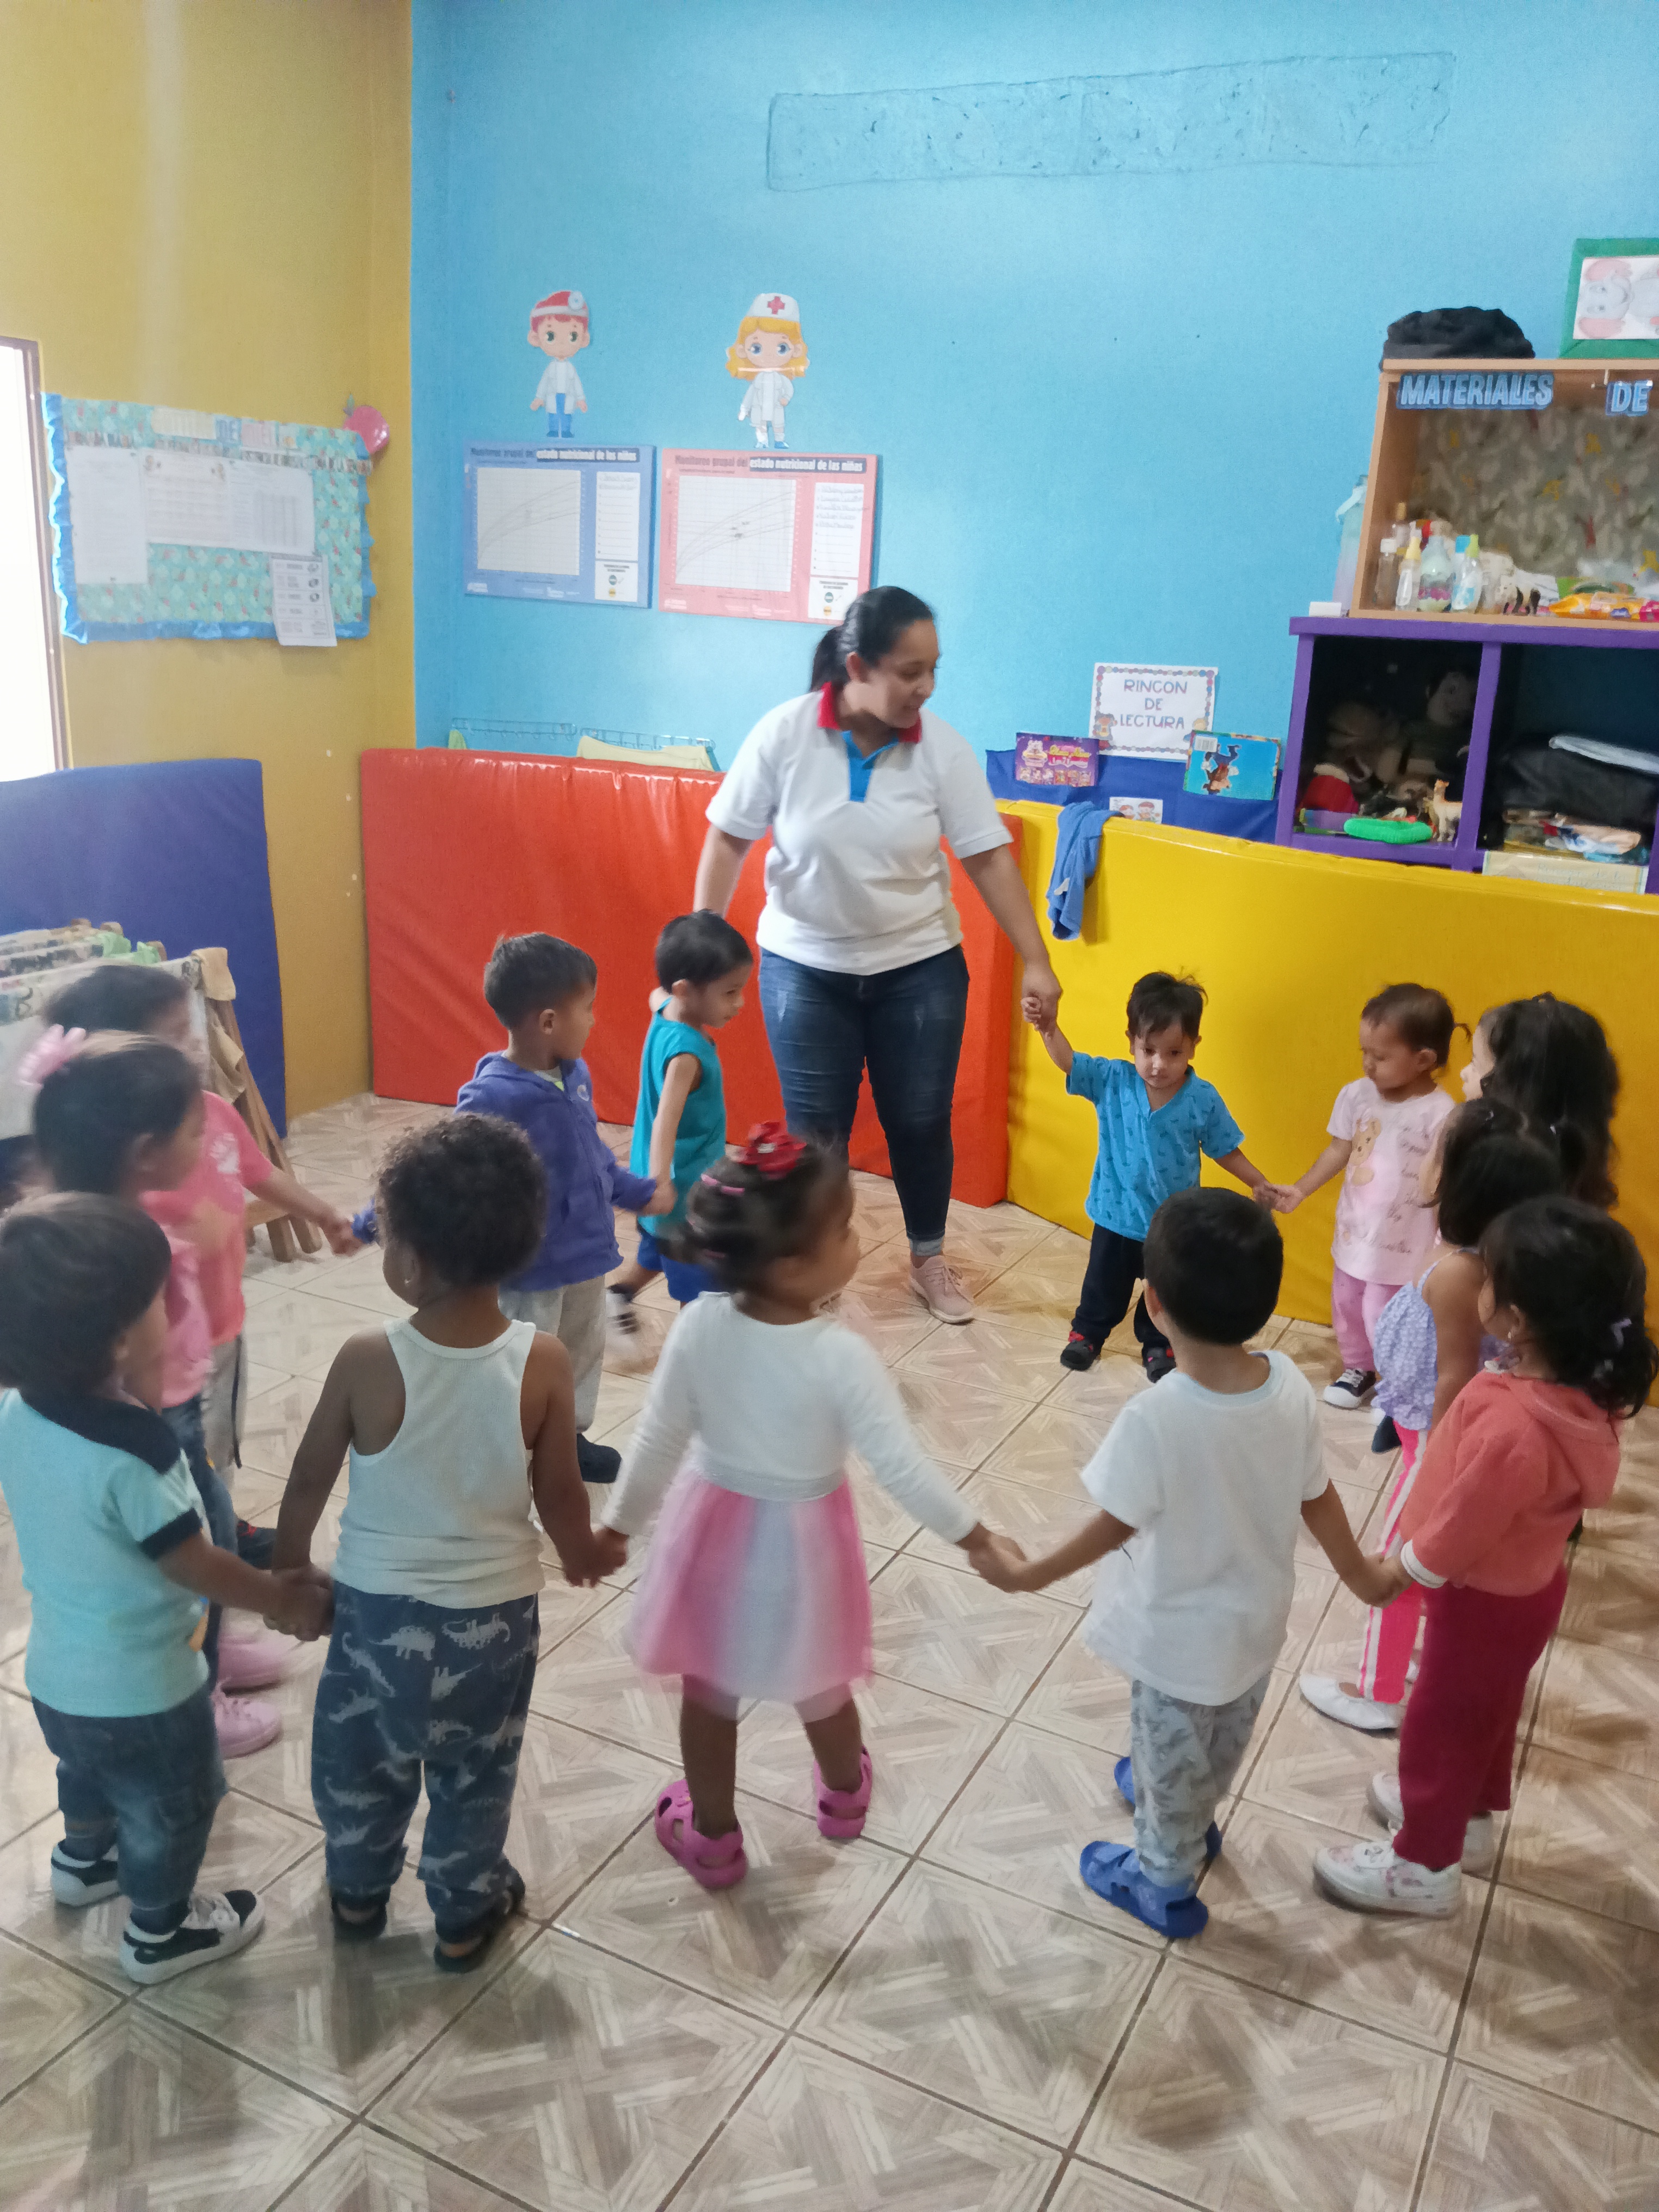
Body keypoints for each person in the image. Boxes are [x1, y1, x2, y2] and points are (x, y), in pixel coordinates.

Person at [597, 1126, 1018, 1888]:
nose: (858, 1240)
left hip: (709, 1540)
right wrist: (977, 1537)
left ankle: (713, 1836)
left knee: (708, 1690)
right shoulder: (840, 1353)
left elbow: (657, 1441)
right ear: (791, 1265)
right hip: (806, 1550)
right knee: (822, 1680)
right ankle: (845, 1796)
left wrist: (618, 1529)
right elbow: (901, 1467)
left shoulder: (698, 1326)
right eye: (846, 1230)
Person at [975, 1189, 1387, 1938]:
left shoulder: (1157, 1414)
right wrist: (1359, 1574)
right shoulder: (1290, 1386)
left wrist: (1029, 1573)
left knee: (1170, 1743)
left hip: (1175, 1644)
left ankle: (1164, 1880)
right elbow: (1318, 1495)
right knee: (1222, 1735)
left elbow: (1113, 1524)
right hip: (1256, 1627)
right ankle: (1191, 1810)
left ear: (1154, 1304)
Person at [273, 1114, 611, 1972]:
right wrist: (580, 1553)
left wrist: (288, 1570)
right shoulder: (542, 1361)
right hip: (494, 1623)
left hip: (374, 1616)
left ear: (412, 1263)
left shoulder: (366, 1357)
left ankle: (357, 1889)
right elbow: (560, 1491)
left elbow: (308, 1476)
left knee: (361, 1759)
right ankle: (463, 1913)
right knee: (476, 1770)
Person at [692, 586, 1063, 1327]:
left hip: (919, 967)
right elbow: (729, 838)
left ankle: (928, 1258)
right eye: (909, 671)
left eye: (934, 670)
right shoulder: (785, 734)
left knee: (920, 1121)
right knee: (817, 1135)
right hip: (804, 965)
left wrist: (1037, 958)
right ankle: (815, 1266)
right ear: (857, 666)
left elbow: (988, 857)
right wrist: (700, 942)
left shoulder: (942, 750)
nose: (926, 687)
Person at [0, 1193, 330, 1983]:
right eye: (159, 1300)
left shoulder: (17, 1412)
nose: (172, 1310)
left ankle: (85, 1861)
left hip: (56, 1674)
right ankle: (161, 1928)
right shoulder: (141, 1454)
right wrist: (279, 1597)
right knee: (173, 1804)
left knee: (86, 1772)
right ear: (118, 1338)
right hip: (146, 1688)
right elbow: (192, 1563)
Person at [1314, 1195, 1655, 1916]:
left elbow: (1464, 1523)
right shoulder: (1583, 1394)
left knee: (1439, 1727)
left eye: (1489, 1278)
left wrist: (1401, 1570)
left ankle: (1423, 1866)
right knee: (1484, 1715)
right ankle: (1464, 1823)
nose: (1478, 1284)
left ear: (1518, 1320)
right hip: (1527, 1592)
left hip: (1481, 1600)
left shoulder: (1515, 1424)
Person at [27, 1028, 282, 1759]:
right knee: (198, 1544)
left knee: (213, 1528)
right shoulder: (131, 1249)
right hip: (157, 1421)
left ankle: (214, 1649)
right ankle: (201, 1688)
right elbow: (137, 1379)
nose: (205, 1141)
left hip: (166, 1410)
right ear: (144, 1151)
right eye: (194, 1130)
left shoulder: (87, 1225)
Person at [44, 962, 358, 1531]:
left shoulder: (212, 1111)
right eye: (175, 1037)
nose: (194, 1048)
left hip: (223, 1321)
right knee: (177, 1452)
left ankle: (221, 1517)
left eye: (192, 1032)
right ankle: (199, 1535)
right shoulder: (115, 1174)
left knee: (219, 1439)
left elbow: (259, 1172)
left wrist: (320, 1211)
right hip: (157, 1356)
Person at [1299, 1100, 1562, 1733]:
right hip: (1423, 1427)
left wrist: (1441, 1463)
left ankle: (1377, 1690)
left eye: (1436, 1147)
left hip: (1438, 1438)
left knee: (1398, 1559)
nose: (1423, 1155)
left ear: (1455, 1177)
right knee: (1424, 1557)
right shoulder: (1468, 1255)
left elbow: (1455, 1376)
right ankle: (1418, 1653)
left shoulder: (1459, 1273)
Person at [451, 933, 669, 1485]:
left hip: (586, 1254)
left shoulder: (575, 1074)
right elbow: (445, 1165)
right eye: (588, 1008)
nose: (594, 1021)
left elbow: (592, 1156)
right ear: (549, 1021)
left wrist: (635, 1192)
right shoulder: (492, 1096)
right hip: (531, 1268)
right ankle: (509, 1450)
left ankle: (566, 1439)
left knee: (579, 1351)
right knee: (523, 1362)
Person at [1035, 971, 1277, 1381]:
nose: (1159, 1064)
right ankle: (1087, 1334)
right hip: (1115, 1214)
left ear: (1194, 1046)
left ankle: (1158, 1345)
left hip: (1170, 1224)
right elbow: (1069, 1062)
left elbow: (1225, 1147)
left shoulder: (1202, 1098)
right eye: (1148, 1050)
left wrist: (1258, 1181)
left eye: (1174, 1052)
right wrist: (1048, 1028)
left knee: (1165, 1292)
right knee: (1102, 1284)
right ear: (1131, 1041)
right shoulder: (1112, 1080)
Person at [1270, 983, 1458, 1410]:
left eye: (1381, 1056)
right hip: (1355, 1233)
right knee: (1347, 1304)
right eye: (1365, 1052)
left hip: (1404, 1246)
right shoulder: (1356, 1096)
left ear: (1424, 1060)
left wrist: (1443, 1242)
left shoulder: (1441, 1113)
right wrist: (1300, 1189)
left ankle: (1400, 1388)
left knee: (1384, 1315)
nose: (1368, 1064)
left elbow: (1445, 1181)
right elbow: (1338, 1150)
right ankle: (1359, 1368)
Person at [607, 912, 751, 1329]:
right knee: (698, 1288)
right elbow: (665, 1123)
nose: (739, 1003)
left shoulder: (666, 1007)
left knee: (658, 1247)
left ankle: (619, 1295)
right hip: (685, 1190)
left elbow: (657, 993)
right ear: (686, 990)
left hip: (664, 1185)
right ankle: (693, 1351)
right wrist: (662, 1182)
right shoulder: (687, 1055)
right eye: (730, 992)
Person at [1461, 992, 1619, 1208]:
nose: (1464, 1073)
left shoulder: (1505, 1177)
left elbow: (1432, 1192)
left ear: (1515, 1088)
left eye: (1475, 1063)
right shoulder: (1573, 1160)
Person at [527, 288, 589, 434]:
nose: (561, 344)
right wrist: (539, 398)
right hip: (553, 395)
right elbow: (544, 382)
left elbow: (576, 384)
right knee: (553, 414)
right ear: (535, 339)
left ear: (584, 339)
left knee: (567, 414)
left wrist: (580, 399)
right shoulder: (551, 368)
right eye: (550, 336)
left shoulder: (570, 369)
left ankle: (566, 431)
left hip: (567, 395)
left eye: (573, 336)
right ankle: (554, 431)